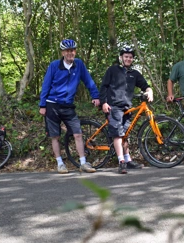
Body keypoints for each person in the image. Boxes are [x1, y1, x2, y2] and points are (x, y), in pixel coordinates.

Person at [39, 39, 101, 174]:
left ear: (75, 51)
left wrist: (95, 96)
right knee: (55, 136)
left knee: (78, 134)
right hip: (52, 104)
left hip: (68, 105)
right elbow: (46, 85)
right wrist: (42, 104)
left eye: (72, 50)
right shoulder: (54, 65)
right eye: (67, 51)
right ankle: (60, 163)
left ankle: (83, 163)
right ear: (62, 52)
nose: (70, 53)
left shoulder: (79, 65)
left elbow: (88, 81)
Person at [99, 46, 153, 174]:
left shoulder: (135, 74)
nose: (128, 59)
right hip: (113, 106)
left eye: (130, 57)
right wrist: (104, 102)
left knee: (125, 134)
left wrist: (150, 92)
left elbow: (145, 86)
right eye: (126, 56)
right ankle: (121, 162)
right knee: (118, 133)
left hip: (126, 107)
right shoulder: (112, 70)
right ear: (121, 58)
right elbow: (103, 87)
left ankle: (128, 160)